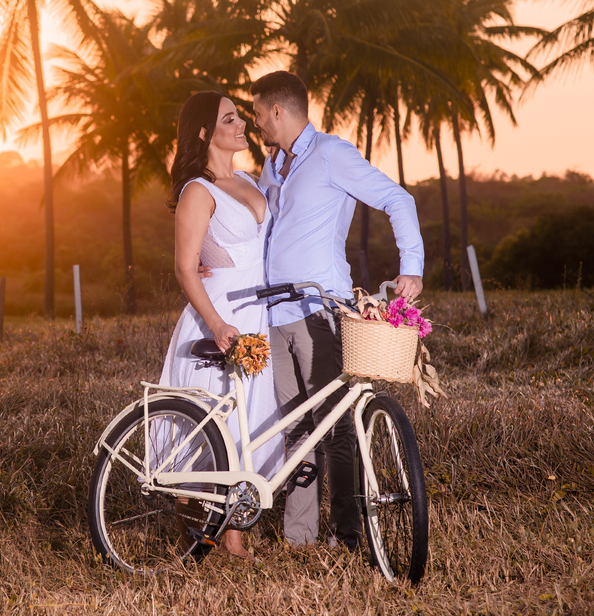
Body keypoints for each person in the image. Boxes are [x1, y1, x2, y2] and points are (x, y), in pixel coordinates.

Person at [249, 69, 424, 548]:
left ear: (278, 111)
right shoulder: (272, 166)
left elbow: (397, 198)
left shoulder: (331, 155)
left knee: (335, 425)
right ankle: (300, 537)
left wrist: (412, 266)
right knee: (297, 431)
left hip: (319, 310)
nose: (256, 123)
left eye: (259, 114)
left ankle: (346, 533)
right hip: (276, 315)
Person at [158, 90, 285, 560]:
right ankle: (214, 538)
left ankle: (233, 532)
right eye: (230, 119)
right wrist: (215, 324)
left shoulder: (252, 180)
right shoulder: (198, 190)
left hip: (259, 316)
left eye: (239, 117)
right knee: (211, 426)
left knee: (251, 421)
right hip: (219, 318)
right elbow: (186, 267)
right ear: (203, 133)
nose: (241, 126)